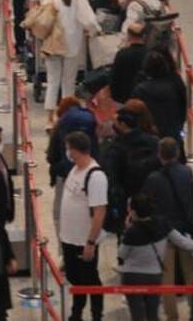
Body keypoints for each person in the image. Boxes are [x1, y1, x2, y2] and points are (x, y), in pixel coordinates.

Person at [139, 138, 193, 321]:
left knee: (167, 277)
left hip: (163, 233)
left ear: (159, 156)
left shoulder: (153, 179)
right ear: (178, 153)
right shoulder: (187, 172)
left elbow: (145, 204)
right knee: (190, 272)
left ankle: (171, 315)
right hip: (184, 230)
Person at [118, 193, 193, 321]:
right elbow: (184, 243)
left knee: (137, 315)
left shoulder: (132, 233)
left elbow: (122, 254)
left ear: (133, 212)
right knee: (153, 314)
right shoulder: (163, 225)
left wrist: (127, 229)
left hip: (132, 276)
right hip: (154, 276)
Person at [59, 131, 108, 321]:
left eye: (68, 148)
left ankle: (96, 315)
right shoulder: (75, 169)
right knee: (75, 278)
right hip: (69, 238)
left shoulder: (95, 176)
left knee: (90, 280)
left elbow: (99, 211)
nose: (67, 152)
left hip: (83, 240)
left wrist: (90, 242)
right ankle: (76, 313)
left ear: (74, 150)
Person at [42, 0, 99, 116]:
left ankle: (49, 119)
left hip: (53, 43)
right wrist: (95, 32)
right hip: (71, 45)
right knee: (68, 82)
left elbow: (43, 9)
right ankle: (65, 115)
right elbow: (89, 20)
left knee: (52, 81)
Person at [130, 51, 187, 149]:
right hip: (172, 133)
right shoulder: (173, 86)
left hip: (148, 137)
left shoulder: (140, 90)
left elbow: (133, 112)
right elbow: (182, 110)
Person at [110, 24, 149, 103]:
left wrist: (114, 97)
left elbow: (115, 77)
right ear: (144, 36)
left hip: (125, 97)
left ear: (129, 36)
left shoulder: (122, 54)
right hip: (146, 98)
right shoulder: (150, 54)